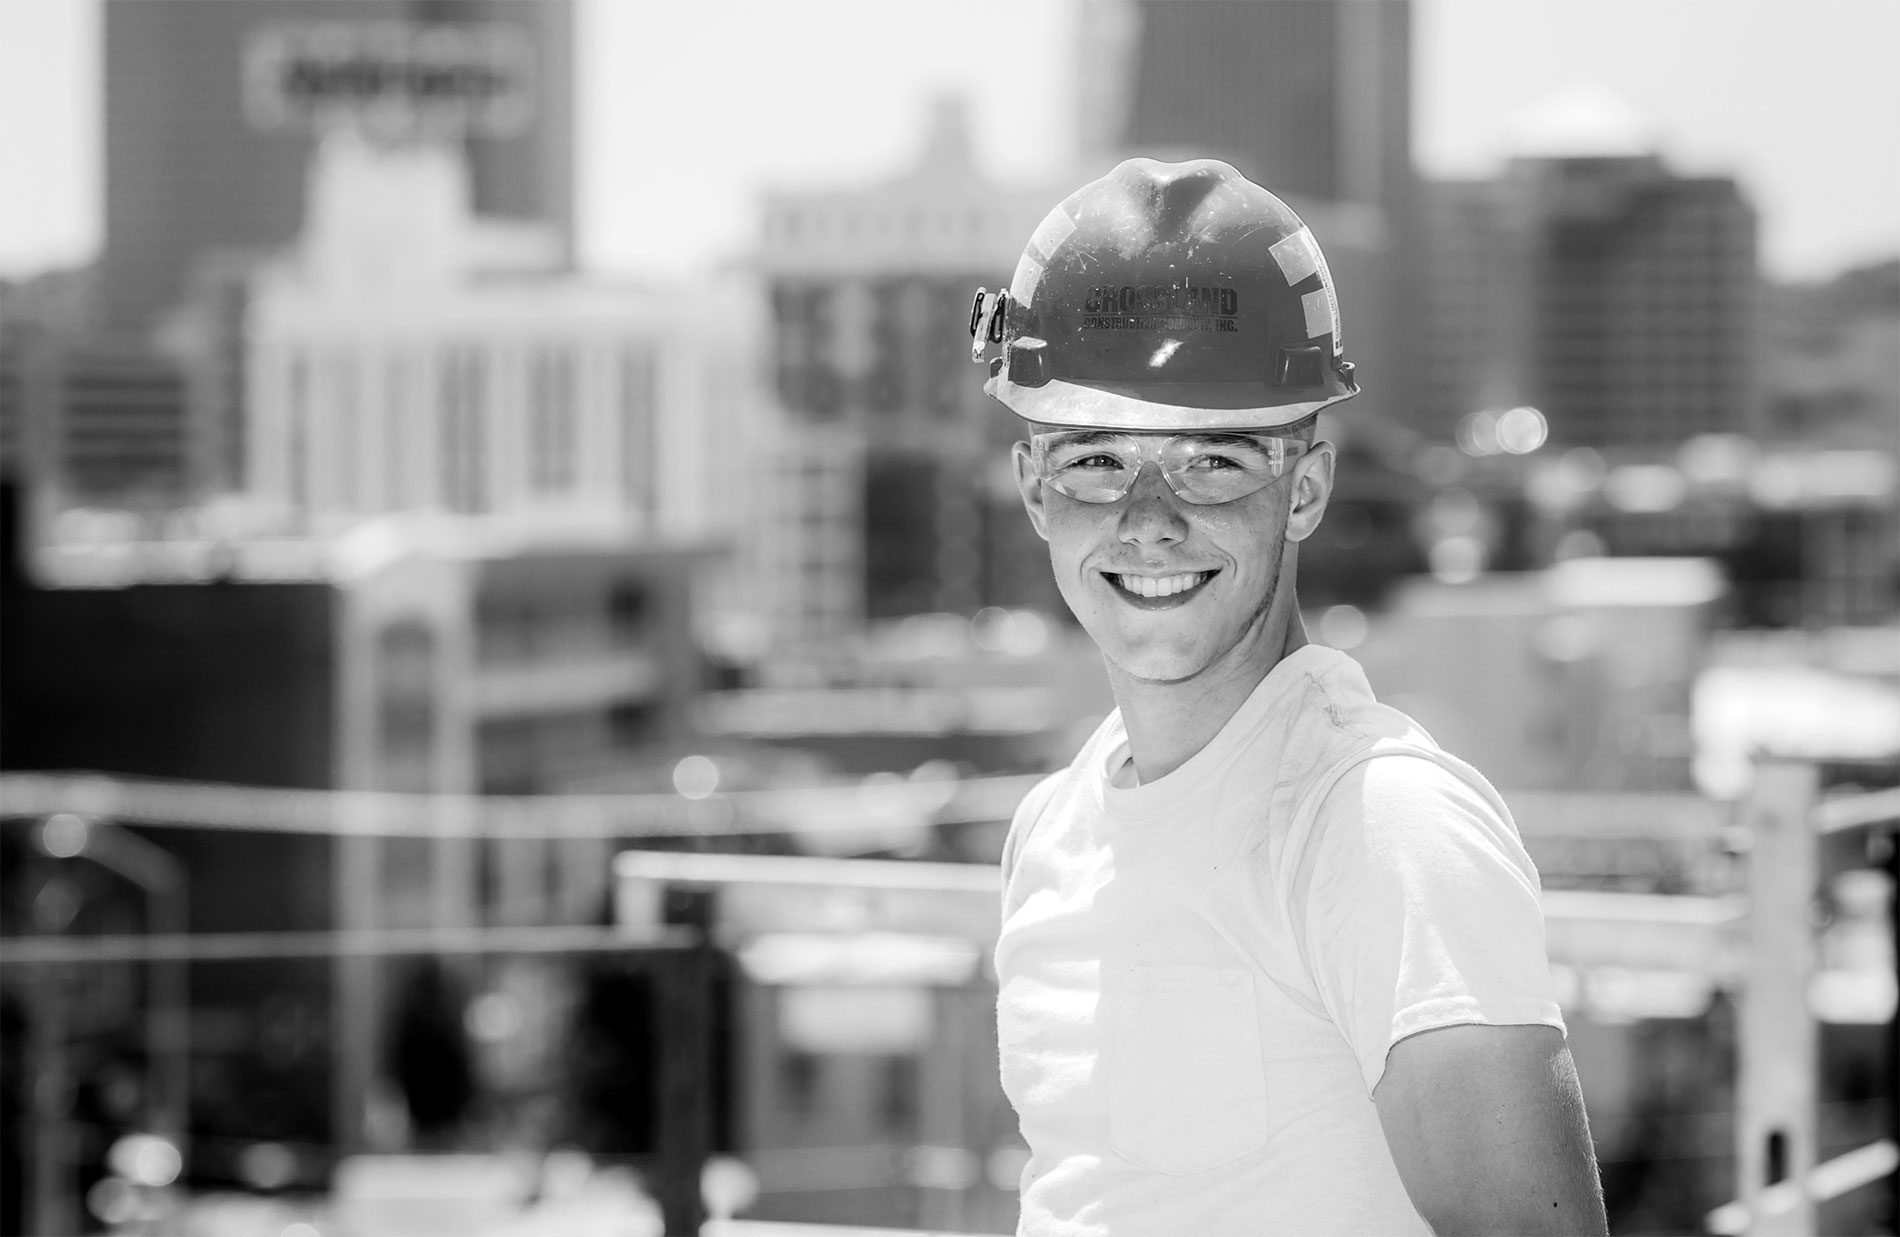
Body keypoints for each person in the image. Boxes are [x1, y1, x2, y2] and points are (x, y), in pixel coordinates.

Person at [969, 158, 1607, 1235]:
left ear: (1303, 486)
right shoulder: (1051, 831)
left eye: (1213, 461)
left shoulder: (1377, 826)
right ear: (1035, 488)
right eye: (1095, 462)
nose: (1150, 517)